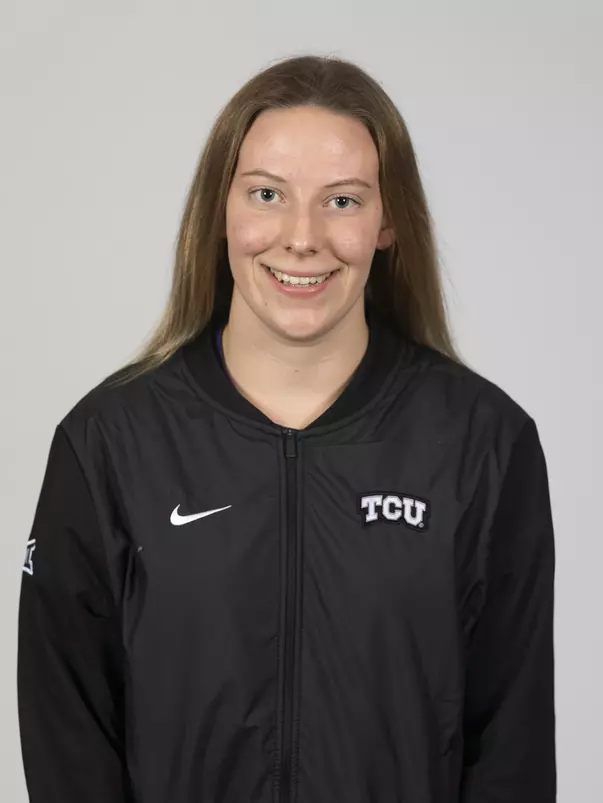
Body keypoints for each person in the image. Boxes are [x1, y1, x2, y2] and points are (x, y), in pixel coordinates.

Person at [17, 54, 556, 803]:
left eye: (342, 200)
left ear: (387, 221)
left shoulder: (482, 445)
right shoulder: (108, 443)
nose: (301, 237)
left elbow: (513, 747)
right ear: (221, 209)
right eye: (267, 193)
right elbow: (66, 735)